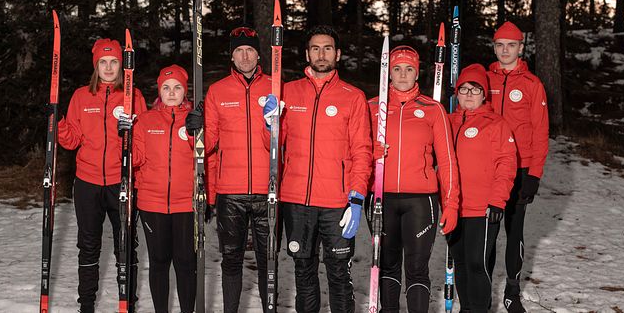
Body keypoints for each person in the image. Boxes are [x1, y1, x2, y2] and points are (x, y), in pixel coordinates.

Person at [262, 25, 372, 313]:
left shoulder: (353, 96)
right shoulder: (287, 91)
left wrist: (357, 196)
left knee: (339, 275)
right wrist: (269, 122)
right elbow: (272, 145)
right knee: (304, 273)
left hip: (337, 203)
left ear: (338, 53)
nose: (321, 54)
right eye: (315, 48)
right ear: (307, 53)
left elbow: (362, 151)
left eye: (327, 48)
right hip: (297, 200)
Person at [366, 45, 460, 312]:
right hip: (381, 198)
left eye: (409, 69)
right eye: (397, 69)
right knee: (386, 263)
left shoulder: (433, 109)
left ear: (417, 73)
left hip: (421, 201)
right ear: (388, 72)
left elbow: (447, 160)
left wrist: (451, 203)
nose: (403, 75)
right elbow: (354, 151)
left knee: (417, 268)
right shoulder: (372, 107)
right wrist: (370, 149)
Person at [57, 38, 147, 313]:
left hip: (121, 181)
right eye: (103, 62)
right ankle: (86, 304)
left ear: (122, 66)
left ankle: (127, 302)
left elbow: (142, 145)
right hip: (87, 182)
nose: (108, 67)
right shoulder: (82, 96)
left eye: (114, 62)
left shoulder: (135, 97)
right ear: (96, 66)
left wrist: (128, 137)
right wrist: (58, 122)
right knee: (88, 245)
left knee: (126, 245)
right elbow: (71, 140)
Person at [195, 27, 273, 312]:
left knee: (269, 261)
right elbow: (210, 142)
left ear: (258, 53)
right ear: (232, 55)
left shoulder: (275, 87)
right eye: (239, 50)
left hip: (268, 190)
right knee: (231, 259)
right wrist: (196, 128)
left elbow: (281, 138)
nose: (245, 56)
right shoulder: (218, 91)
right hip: (231, 191)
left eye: (249, 50)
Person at [118, 65, 196, 313]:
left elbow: (209, 158)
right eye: (166, 88)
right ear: (159, 91)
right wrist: (126, 138)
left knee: (185, 262)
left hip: (186, 202)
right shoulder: (146, 120)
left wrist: (210, 197)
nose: (171, 93)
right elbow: (137, 160)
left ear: (185, 91)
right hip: (152, 202)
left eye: (177, 88)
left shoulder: (195, 119)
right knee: (159, 261)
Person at [486, 22, 549, 313]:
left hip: (519, 170)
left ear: (521, 48)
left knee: (514, 231)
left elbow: (540, 132)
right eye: (500, 45)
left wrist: (533, 175)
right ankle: (482, 289)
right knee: (484, 232)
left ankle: (512, 291)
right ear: (494, 46)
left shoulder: (532, 84)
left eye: (511, 45)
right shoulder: (484, 80)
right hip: (486, 168)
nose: (505, 50)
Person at [447, 63, 517, 313]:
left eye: (475, 89)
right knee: (461, 262)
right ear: (456, 92)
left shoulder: (495, 124)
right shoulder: (446, 122)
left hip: (483, 209)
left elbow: (507, 164)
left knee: (478, 263)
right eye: (464, 89)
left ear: (484, 94)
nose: (468, 94)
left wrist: (498, 200)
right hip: (454, 208)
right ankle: (468, 308)